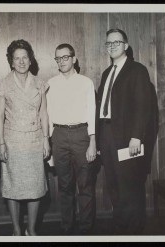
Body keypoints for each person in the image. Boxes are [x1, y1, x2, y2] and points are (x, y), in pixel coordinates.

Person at [96, 28, 156, 235]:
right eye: (109, 43)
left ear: (126, 46)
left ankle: (134, 232)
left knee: (130, 185)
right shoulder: (106, 73)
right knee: (113, 184)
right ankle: (121, 228)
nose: (112, 46)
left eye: (116, 42)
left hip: (127, 138)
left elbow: (143, 106)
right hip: (106, 135)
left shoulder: (137, 70)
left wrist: (137, 136)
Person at [0, 39, 50, 236]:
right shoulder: (2, 85)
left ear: (30, 60)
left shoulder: (40, 84)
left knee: (35, 187)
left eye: (25, 57)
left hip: (34, 142)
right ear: (11, 61)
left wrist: (46, 139)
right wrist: (0, 143)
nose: (21, 62)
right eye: (17, 58)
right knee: (13, 187)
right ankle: (17, 230)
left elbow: (44, 114)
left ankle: (31, 230)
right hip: (12, 142)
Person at [46, 43, 98, 235]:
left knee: (85, 185)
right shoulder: (50, 83)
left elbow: (92, 113)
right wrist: (50, 144)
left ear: (74, 59)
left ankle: (86, 229)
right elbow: (48, 115)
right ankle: (67, 228)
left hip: (81, 135)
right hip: (58, 136)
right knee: (65, 185)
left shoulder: (86, 82)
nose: (61, 62)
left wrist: (92, 142)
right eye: (58, 59)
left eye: (65, 57)